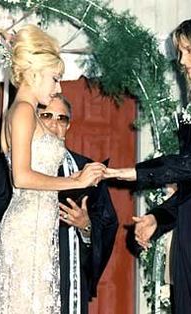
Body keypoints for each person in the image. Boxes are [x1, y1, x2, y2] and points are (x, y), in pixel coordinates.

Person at [105, 15, 191, 314]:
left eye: (188, 51)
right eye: (180, 52)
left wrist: (135, 172)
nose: (182, 62)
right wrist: (159, 219)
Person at [0, 24, 105, 313]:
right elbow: (21, 177)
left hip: (37, 227)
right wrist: (75, 180)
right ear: (34, 73)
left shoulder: (26, 111)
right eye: (55, 78)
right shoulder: (21, 112)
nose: (58, 87)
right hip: (26, 228)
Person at [37, 94, 118, 314]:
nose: (54, 124)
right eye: (46, 116)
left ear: (68, 125)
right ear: (33, 119)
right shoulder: (9, 168)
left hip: (66, 276)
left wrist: (86, 227)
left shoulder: (85, 169)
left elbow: (108, 224)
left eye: (61, 119)